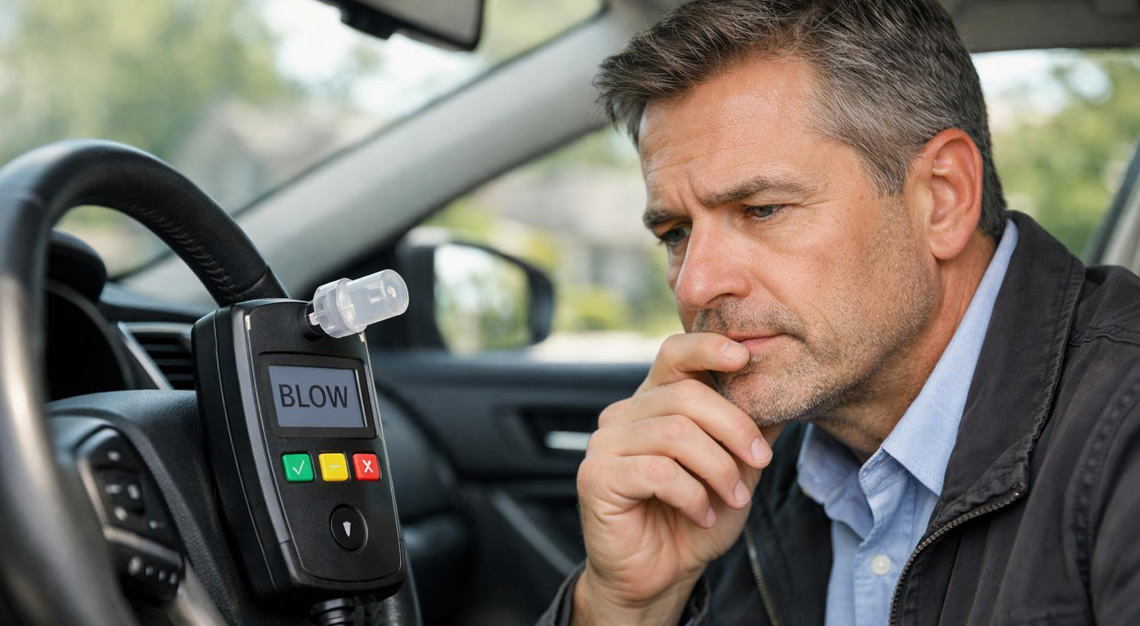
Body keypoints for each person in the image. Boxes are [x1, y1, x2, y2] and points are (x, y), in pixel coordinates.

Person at [538, 1, 1140, 624]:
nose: (695, 285)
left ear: (942, 198)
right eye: (675, 233)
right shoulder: (738, 467)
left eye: (762, 209)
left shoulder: (1123, 429)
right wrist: (626, 603)